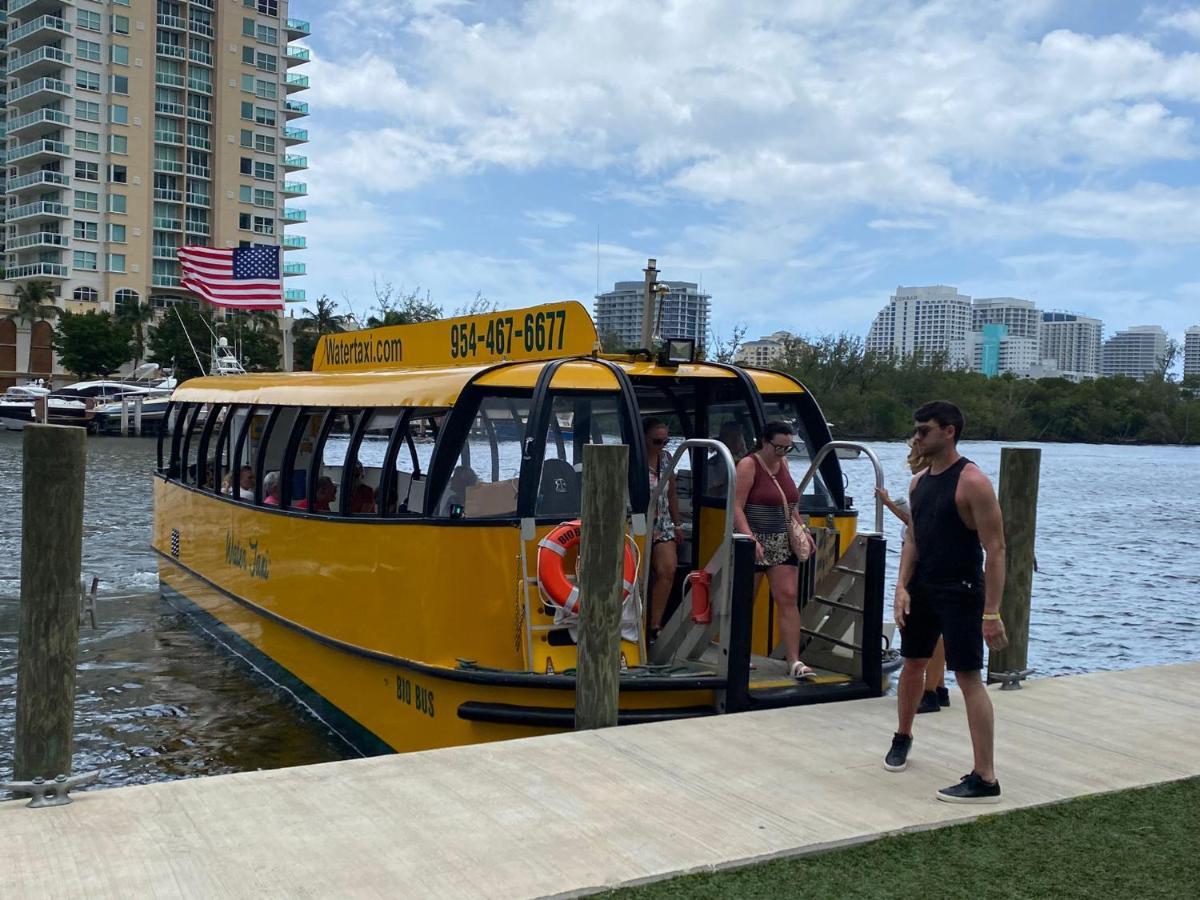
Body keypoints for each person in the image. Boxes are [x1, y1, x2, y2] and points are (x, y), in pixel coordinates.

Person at [883, 401, 1007, 804]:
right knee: (913, 664)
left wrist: (992, 612)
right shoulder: (919, 483)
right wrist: (901, 586)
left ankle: (985, 777)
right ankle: (903, 736)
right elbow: (914, 538)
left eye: (925, 431)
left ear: (949, 431)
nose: (917, 437)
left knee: (968, 677)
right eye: (916, 430)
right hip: (923, 587)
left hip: (962, 590)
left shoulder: (972, 481)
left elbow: (997, 549)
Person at [732, 421, 815, 680]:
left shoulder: (784, 465)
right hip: (756, 540)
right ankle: (739, 655)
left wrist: (802, 528)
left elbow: (790, 503)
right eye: (778, 448)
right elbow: (736, 506)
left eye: (787, 449)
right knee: (747, 599)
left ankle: (794, 660)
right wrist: (750, 538)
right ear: (765, 442)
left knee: (788, 597)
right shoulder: (748, 465)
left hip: (781, 540)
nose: (782, 453)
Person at [877, 440, 949, 715]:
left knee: (933, 633)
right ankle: (938, 686)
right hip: (924, 563)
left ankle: (930, 691)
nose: (910, 459)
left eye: (913, 454)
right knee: (934, 631)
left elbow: (918, 526)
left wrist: (889, 504)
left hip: (929, 565)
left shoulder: (932, 486)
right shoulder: (924, 485)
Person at [644, 418, 682, 641]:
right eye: (657, 441)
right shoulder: (633, 458)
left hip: (663, 521)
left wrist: (677, 524)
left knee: (668, 570)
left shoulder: (667, 459)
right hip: (638, 520)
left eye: (666, 441)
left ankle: (654, 625)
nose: (662, 446)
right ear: (645, 439)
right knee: (637, 575)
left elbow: (672, 493)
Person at [706, 420, 748, 498]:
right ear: (722, 439)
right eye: (730, 436)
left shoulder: (747, 460)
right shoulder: (712, 466)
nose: (735, 440)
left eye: (738, 435)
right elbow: (710, 493)